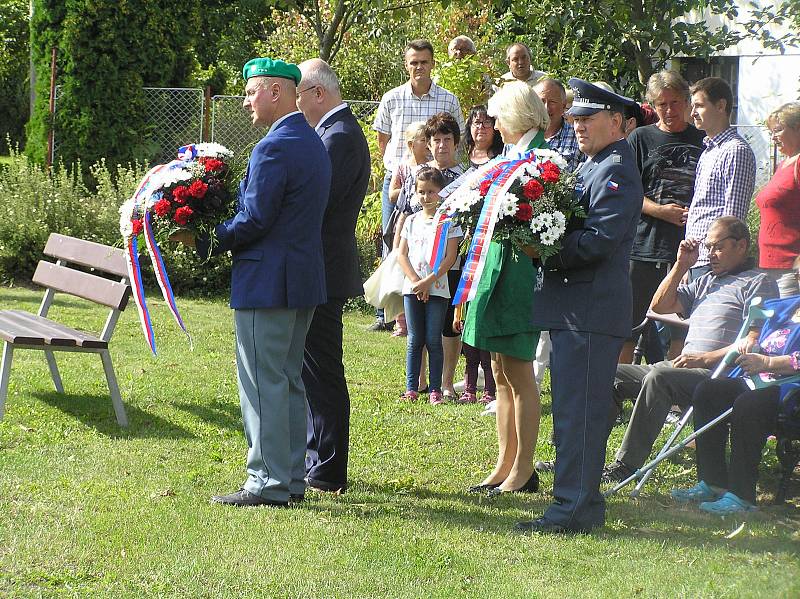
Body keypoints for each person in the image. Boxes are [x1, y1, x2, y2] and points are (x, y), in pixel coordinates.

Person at [173, 57, 331, 507]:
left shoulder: (273, 147)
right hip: (300, 280)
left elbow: (255, 219)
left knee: (263, 383)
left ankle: (268, 482)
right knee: (288, 380)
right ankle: (290, 478)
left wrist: (203, 239)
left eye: (250, 91)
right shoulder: (310, 141)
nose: (245, 101)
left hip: (269, 282)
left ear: (276, 92)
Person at [515, 79, 643, 534]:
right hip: (579, 308)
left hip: (590, 309)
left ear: (616, 122)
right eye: (576, 119)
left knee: (579, 415)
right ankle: (577, 504)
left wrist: (545, 245)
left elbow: (600, 241)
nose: (579, 126)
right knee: (574, 412)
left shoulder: (617, 168)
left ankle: (572, 508)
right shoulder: (597, 164)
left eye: (588, 119)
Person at [602, 217, 778, 484]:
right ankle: (585, 454)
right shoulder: (706, 281)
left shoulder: (758, 282)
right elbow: (660, 306)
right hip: (683, 368)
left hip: (719, 376)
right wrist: (682, 264)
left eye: (717, 247)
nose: (711, 254)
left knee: (658, 379)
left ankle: (625, 466)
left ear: (741, 245)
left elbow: (754, 340)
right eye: (708, 247)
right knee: (609, 375)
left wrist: (706, 358)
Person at [464, 80, 549, 497]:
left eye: (498, 115)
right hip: (496, 268)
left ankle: (524, 467)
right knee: (498, 371)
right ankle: (504, 462)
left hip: (519, 275)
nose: (493, 123)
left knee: (518, 371)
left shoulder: (542, 160)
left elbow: (548, 226)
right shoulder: (511, 157)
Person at [295, 59, 370, 494]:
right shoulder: (332, 133)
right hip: (321, 266)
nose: (296, 104)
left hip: (324, 268)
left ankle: (327, 467)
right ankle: (317, 458)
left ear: (318, 94)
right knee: (313, 370)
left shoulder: (337, 137)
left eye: (299, 95)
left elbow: (316, 205)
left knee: (322, 370)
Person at [671, 272, 800, 514]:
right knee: (709, 390)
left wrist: (769, 363)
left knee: (750, 403)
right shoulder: (786, 307)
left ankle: (742, 496)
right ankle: (713, 481)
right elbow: (758, 331)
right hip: (760, 381)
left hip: (791, 391)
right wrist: (752, 340)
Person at [371, 39, 465, 331]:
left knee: (432, 245)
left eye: (424, 61)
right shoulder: (392, 98)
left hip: (437, 180)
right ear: (406, 65)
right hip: (402, 179)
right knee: (394, 242)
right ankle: (388, 313)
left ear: (432, 63)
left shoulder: (448, 99)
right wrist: (399, 172)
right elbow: (382, 140)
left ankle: (426, 308)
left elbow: (456, 136)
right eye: (413, 62)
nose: (419, 67)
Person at [620, 70, 706, 363]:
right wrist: (660, 211)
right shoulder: (640, 139)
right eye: (661, 104)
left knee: (681, 330)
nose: (669, 110)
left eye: (675, 102)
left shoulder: (703, 139)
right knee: (628, 327)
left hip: (689, 250)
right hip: (644, 247)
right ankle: (616, 395)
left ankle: (672, 397)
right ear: (652, 106)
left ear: (686, 101)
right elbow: (626, 193)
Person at [397, 167, 462, 404]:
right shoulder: (411, 221)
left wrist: (428, 282)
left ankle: (435, 388)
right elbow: (401, 254)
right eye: (422, 192)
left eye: (431, 192)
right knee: (415, 339)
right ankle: (411, 387)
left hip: (438, 289)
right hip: (412, 288)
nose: (426, 197)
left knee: (434, 339)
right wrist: (416, 282)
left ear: (441, 193)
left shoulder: (448, 222)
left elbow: (450, 257)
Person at [685, 77, 756, 280]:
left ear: (721, 106)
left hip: (714, 264)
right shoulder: (709, 150)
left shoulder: (736, 151)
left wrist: (718, 266)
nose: (692, 113)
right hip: (697, 260)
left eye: (699, 105)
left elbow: (733, 218)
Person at [755, 102, 800, 290]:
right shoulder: (783, 165)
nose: (773, 137)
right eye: (771, 132)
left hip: (791, 268)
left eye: (778, 130)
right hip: (768, 266)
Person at [533, 78, 584, 173]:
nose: (546, 108)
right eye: (541, 101)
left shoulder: (579, 136)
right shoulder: (520, 136)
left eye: (552, 102)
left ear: (564, 106)